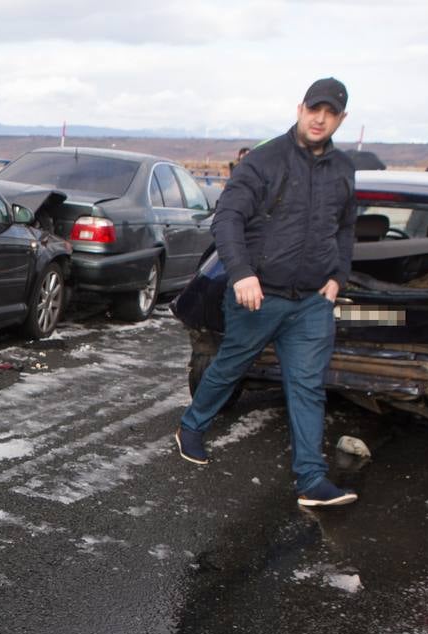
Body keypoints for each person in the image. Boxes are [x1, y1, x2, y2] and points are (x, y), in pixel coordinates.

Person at [175, 77, 359, 507]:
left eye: (330, 113)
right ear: (299, 109)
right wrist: (241, 273)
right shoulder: (263, 161)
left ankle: (311, 480)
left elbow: (346, 226)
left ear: (341, 119)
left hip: (312, 300)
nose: (320, 118)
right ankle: (192, 425)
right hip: (259, 295)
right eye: (315, 109)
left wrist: (338, 276)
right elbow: (227, 219)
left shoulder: (343, 169)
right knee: (231, 366)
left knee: (308, 386)